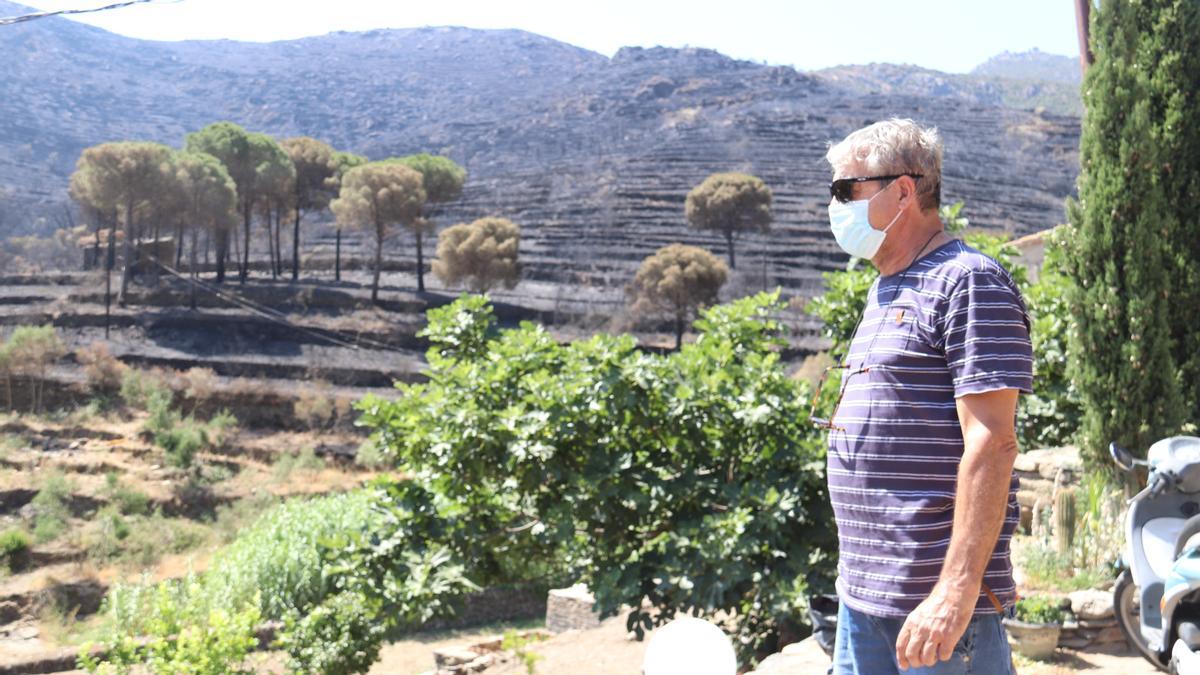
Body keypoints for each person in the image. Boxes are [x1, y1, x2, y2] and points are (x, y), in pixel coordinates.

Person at [815, 118, 1033, 674]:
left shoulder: (969, 281)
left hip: (935, 615)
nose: (835, 204)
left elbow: (992, 443)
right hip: (864, 601)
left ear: (904, 191)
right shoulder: (886, 287)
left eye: (847, 190)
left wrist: (954, 592)